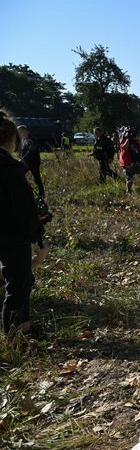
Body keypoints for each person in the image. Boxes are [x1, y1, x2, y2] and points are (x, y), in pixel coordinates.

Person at [0, 110, 48, 337]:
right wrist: (37, 235)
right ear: (12, 140)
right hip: (11, 235)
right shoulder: (10, 169)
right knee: (19, 283)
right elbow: (24, 209)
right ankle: (19, 332)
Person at [119, 128, 140, 193]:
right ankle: (128, 191)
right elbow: (124, 147)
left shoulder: (135, 141)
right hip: (128, 163)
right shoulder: (123, 140)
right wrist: (127, 139)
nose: (131, 135)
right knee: (129, 179)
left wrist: (137, 139)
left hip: (137, 162)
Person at [17, 125, 45, 198]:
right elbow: (22, 151)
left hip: (33, 162)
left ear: (25, 131)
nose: (19, 134)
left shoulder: (31, 139)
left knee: (36, 178)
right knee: (19, 175)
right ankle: (24, 191)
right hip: (26, 163)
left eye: (20, 132)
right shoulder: (23, 139)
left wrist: (22, 158)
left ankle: (42, 193)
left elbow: (31, 150)